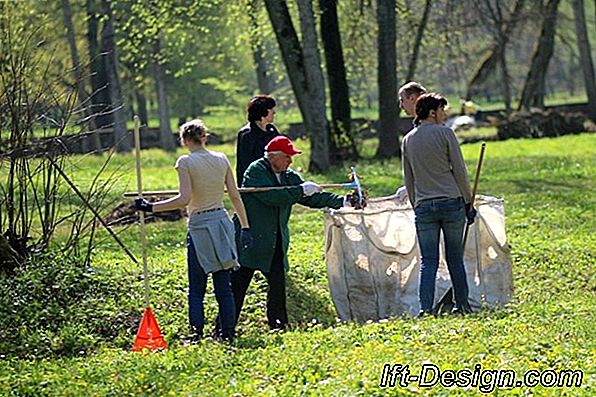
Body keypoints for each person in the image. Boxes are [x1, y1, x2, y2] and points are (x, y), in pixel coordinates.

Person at [135, 119, 253, 342]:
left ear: (184, 140)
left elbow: (184, 198)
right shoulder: (221, 159)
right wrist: (245, 227)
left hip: (200, 226)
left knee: (197, 288)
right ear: (204, 137)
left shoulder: (185, 162)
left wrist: (151, 207)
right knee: (223, 288)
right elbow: (235, 195)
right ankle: (227, 334)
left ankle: (196, 335)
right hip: (222, 222)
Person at [230, 135, 364, 330]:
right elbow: (271, 197)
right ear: (273, 156)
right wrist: (300, 191)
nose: (290, 161)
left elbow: (311, 197)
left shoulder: (287, 175)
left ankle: (279, 325)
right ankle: (225, 327)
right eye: (287, 157)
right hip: (251, 238)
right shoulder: (256, 171)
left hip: (275, 239)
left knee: (277, 286)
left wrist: (342, 201)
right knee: (238, 285)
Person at [401, 93, 476, 317]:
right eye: (442, 110)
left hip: (424, 206)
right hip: (451, 202)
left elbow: (409, 179)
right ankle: (461, 305)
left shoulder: (408, 139)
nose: (444, 115)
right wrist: (468, 202)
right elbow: (460, 172)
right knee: (454, 258)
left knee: (428, 261)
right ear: (432, 112)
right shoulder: (446, 134)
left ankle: (426, 308)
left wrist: (417, 206)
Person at [236, 95, 280, 184]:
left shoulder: (272, 130)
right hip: (256, 181)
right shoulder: (247, 134)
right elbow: (244, 164)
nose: (274, 112)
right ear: (263, 111)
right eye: (271, 109)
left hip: (274, 178)